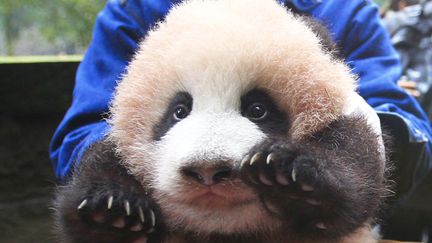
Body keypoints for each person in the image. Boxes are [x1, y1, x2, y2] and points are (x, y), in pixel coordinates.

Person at [50, 0, 432, 239]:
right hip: (165, 226)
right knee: (105, 157)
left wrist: (349, 151)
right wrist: (115, 192)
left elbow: (399, 120)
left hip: (313, 222)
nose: (209, 161)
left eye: (258, 110)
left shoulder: (343, 9)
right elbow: (89, 129)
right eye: (179, 112)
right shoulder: (135, 11)